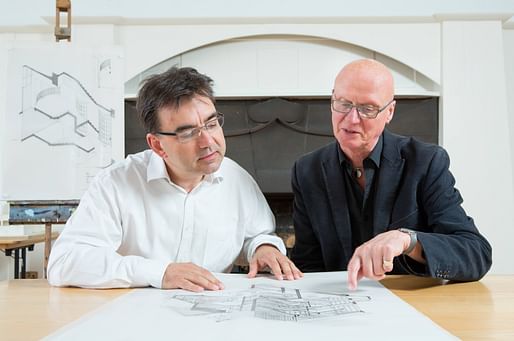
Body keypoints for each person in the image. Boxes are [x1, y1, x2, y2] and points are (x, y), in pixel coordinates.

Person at [48, 67, 302, 291]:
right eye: (188, 133)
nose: (208, 142)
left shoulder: (237, 179)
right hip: (134, 318)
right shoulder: (117, 183)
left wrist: (263, 249)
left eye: (211, 124)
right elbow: (65, 261)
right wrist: (160, 272)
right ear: (157, 145)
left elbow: (257, 235)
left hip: (211, 315)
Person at [290, 59, 492, 290]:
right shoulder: (307, 170)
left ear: (390, 112)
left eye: (368, 108)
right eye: (344, 103)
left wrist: (408, 240)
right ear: (332, 101)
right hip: (339, 306)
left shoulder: (426, 162)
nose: (352, 118)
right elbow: (308, 264)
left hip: (413, 308)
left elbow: (476, 253)